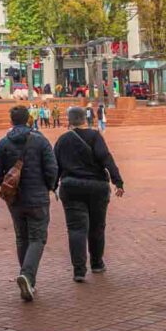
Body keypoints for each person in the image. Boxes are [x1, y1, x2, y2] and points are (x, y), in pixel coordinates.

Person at [0, 105, 59, 302]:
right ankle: (27, 276)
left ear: (11, 120)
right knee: (37, 237)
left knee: (22, 237)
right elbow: (51, 168)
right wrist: (48, 186)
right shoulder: (40, 141)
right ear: (29, 119)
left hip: (16, 199)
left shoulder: (4, 143)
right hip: (38, 196)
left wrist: (8, 185)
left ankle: (27, 277)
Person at [54, 106, 125, 282]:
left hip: (71, 187)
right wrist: (118, 181)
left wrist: (52, 184)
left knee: (76, 229)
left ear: (69, 120)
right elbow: (106, 158)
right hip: (97, 187)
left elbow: (54, 165)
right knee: (97, 226)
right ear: (85, 119)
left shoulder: (62, 140)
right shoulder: (94, 136)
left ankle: (79, 270)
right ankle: (97, 263)